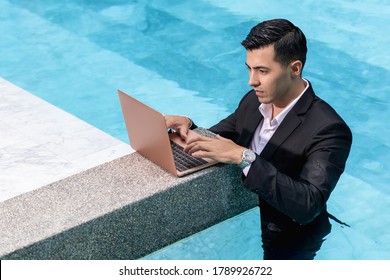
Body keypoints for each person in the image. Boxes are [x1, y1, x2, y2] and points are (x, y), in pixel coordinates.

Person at [164, 19, 352, 260]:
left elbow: (308, 204)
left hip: (290, 235)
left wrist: (243, 157)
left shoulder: (329, 128)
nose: (252, 81)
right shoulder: (254, 100)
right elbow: (222, 140)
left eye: (262, 71)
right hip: (245, 214)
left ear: (294, 69)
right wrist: (188, 126)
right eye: (249, 69)